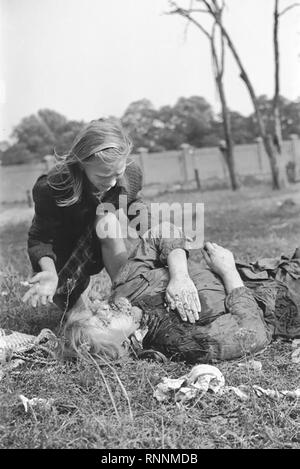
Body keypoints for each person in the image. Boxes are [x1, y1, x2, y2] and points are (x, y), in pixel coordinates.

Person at [62, 219, 300, 364]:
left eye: (95, 311)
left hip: (268, 268)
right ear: (122, 348)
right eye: (103, 324)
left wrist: (180, 275)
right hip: (288, 297)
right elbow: (253, 333)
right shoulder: (181, 343)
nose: (104, 308)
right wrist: (228, 271)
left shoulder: (128, 286)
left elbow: (163, 231)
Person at [23, 118, 148, 312]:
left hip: (101, 243)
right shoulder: (53, 188)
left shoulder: (130, 174)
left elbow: (133, 201)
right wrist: (49, 272)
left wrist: (152, 231)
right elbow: (40, 239)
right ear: (81, 164)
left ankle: (125, 293)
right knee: (82, 324)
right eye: (103, 176)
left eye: (117, 174)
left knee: (107, 219)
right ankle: (76, 296)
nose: (112, 183)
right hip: (65, 256)